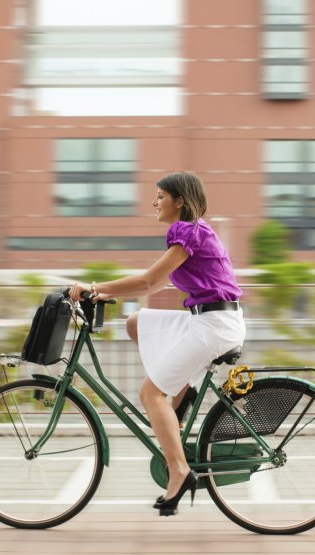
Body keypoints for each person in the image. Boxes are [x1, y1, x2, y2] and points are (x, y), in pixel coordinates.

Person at [70, 171, 245, 517]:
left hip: (214, 324)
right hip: (207, 318)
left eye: (160, 196)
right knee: (136, 322)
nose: (154, 202)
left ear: (179, 200)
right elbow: (152, 288)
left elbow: (148, 278)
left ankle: (179, 470)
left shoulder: (187, 230)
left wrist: (92, 285)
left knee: (150, 395)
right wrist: (104, 293)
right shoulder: (191, 232)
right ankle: (179, 394)